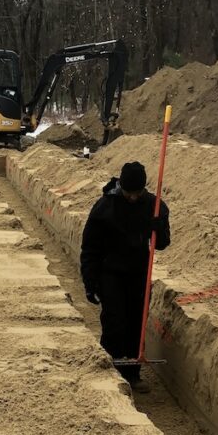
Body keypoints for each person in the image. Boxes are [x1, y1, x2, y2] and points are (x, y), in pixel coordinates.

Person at [80, 161, 170, 390]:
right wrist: (90, 282)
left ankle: (132, 374)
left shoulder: (154, 206)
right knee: (114, 322)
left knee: (135, 323)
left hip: (138, 273)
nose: (132, 197)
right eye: (129, 193)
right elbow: (90, 247)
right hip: (110, 274)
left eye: (137, 193)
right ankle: (110, 372)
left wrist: (158, 227)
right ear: (121, 186)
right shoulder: (104, 207)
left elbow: (162, 244)